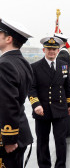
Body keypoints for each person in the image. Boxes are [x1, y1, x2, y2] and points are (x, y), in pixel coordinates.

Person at [28, 36, 70, 168]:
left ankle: (61, 165)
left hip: (60, 110)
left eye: (54, 49)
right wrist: (35, 105)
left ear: (58, 50)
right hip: (42, 110)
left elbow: (67, 86)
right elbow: (31, 88)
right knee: (42, 141)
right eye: (49, 49)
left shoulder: (63, 66)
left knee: (61, 141)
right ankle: (44, 166)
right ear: (44, 50)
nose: (51, 51)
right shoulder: (35, 67)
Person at [0, 19, 34, 168]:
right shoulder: (23, 62)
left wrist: (9, 139)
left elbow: (8, 104)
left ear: (8, 39)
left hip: (8, 137)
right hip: (20, 132)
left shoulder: (5, 64)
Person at [54, 33, 70, 140]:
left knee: (64, 110)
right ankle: (66, 131)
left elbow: (62, 72)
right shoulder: (64, 52)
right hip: (64, 84)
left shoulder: (62, 54)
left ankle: (65, 132)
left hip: (62, 85)